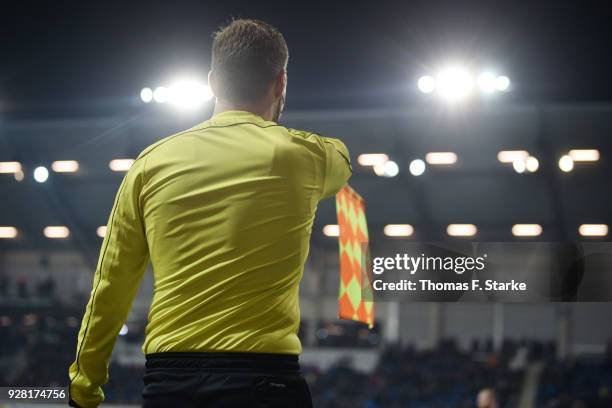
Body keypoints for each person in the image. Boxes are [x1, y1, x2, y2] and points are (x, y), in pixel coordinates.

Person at [68, 18, 351, 408]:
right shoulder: (304, 156)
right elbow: (343, 159)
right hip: (266, 382)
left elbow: (109, 288)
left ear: (213, 82)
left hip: (171, 383)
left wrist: (84, 390)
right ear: (281, 82)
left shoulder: (151, 164)